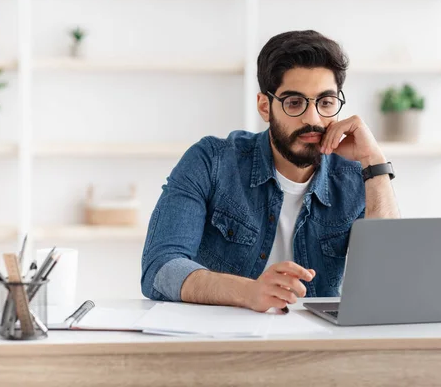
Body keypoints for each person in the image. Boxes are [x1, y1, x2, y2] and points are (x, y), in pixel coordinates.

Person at [141, 30, 400, 313]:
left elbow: (388, 280)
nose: (312, 119)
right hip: (223, 343)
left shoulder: (355, 174)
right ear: (265, 107)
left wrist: (374, 163)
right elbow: (160, 268)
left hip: (320, 346)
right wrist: (248, 292)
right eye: (294, 103)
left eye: (325, 103)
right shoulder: (211, 161)